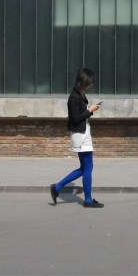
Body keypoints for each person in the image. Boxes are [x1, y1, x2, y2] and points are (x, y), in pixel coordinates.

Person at [50, 67, 104, 208]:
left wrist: (90, 110)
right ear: (84, 81)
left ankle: (57, 187)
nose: (91, 85)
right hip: (80, 135)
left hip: (83, 132)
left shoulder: (80, 94)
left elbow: (81, 114)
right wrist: (89, 110)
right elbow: (75, 118)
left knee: (85, 168)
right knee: (88, 167)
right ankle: (87, 200)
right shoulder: (74, 97)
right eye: (90, 82)